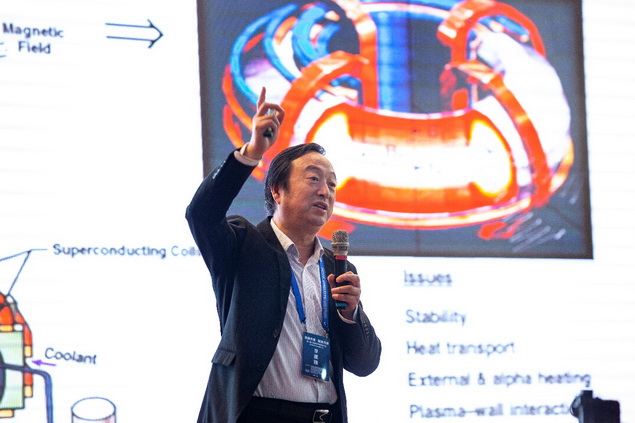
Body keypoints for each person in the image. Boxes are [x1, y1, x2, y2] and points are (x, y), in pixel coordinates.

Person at [186, 87, 381, 423]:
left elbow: (365, 364)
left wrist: (351, 315)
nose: (325, 191)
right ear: (277, 190)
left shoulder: (336, 266)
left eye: (332, 185)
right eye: (313, 179)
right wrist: (251, 152)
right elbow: (202, 213)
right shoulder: (243, 244)